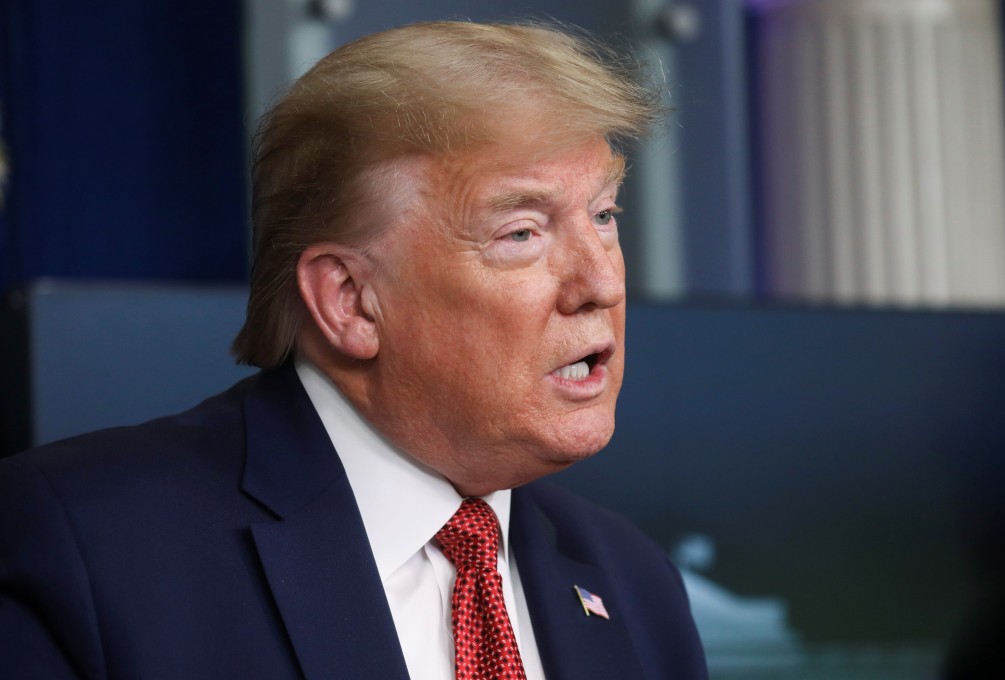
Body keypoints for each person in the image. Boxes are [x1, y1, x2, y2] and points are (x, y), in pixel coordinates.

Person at [0, 20, 708, 679]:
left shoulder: (632, 581)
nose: (603, 281)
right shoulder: (83, 547)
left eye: (604, 214)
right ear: (350, 300)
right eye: (521, 232)